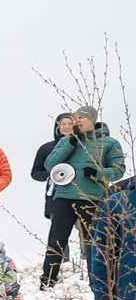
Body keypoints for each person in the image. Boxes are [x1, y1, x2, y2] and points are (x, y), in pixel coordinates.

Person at [38, 105, 128, 289]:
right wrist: (72, 141)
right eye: (75, 119)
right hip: (64, 196)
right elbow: (50, 163)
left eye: (81, 119)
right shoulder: (67, 141)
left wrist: (98, 173)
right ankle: (48, 281)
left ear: (92, 120)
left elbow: (119, 171)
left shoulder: (110, 143)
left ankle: (98, 281)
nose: (76, 122)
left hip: (93, 197)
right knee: (56, 239)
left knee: (93, 241)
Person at [32, 111, 75, 286]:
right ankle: (57, 271)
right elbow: (35, 173)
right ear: (57, 127)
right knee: (58, 235)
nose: (67, 127)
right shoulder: (47, 148)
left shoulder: (83, 145)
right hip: (56, 196)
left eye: (70, 124)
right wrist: (52, 174)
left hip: (83, 195)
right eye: (63, 124)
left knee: (87, 232)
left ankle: (83, 267)